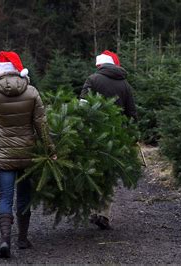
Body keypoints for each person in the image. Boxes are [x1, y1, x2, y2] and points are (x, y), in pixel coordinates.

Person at [0, 51, 54, 258]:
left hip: (3, 154)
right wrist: (50, 149)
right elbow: (41, 123)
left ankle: (5, 240)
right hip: (27, 153)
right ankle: (22, 238)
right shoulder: (31, 92)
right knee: (24, 196)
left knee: (5, 196)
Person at [81, 50, 138, 230]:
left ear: (100, 65)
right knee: (109, 174)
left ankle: (92, 210)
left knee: (92, 170)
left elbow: (82, 104)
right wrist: (132, 135)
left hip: (94, 133)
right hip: (118, 136)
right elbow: (132, 113)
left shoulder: (92, 79)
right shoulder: (125, 84)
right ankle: (104, 214)